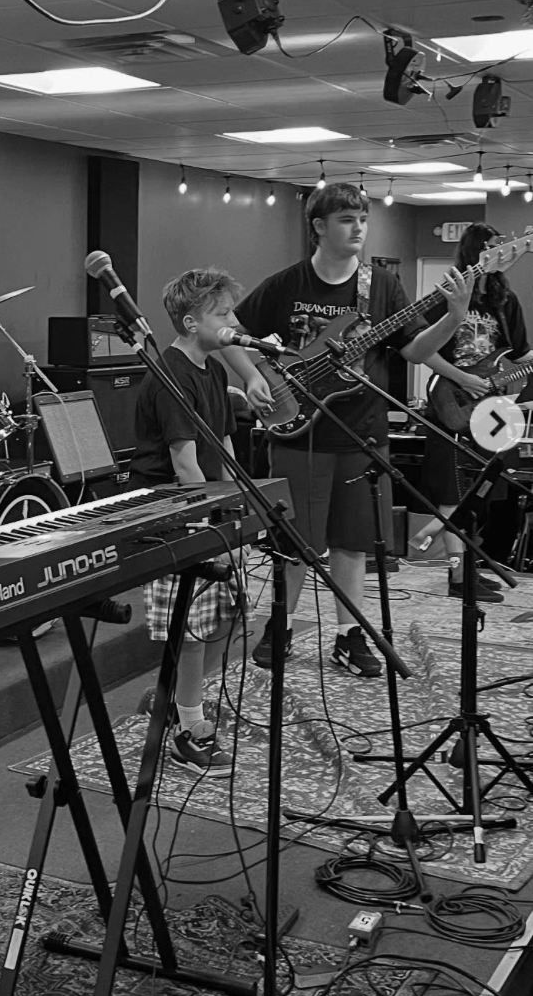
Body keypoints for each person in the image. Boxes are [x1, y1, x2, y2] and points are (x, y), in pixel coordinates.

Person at [224, 183, 474, 677]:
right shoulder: (286, 284)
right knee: (293, 541)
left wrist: (455, 316)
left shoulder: (380, 285)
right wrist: (253, 375)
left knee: (353, 542)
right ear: (318, 227)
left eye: (362, 218)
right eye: (346, 219)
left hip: (361, 434)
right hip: (296, 432)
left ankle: (349, 634)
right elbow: (224, 330)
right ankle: (282, 624)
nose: (358, 227)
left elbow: (415, 350)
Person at [129, 267, 246, 775]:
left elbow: (223, 443)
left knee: (224, 615)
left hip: (212, 507)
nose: (234, 322)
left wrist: (242, 505)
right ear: (193, 321)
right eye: (223, 314)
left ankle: (179, 700)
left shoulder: (215, 370)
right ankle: (188, 729)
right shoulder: (171, 374)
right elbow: (185, 465)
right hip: (176, 515)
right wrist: (213, 529)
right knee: (194, 627)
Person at [415, 222, 533, 600]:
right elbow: (420, 351)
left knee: (481, 491)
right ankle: (457, 577)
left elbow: (518, 355)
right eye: (498, 248)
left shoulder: (505, 301)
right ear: (479, 252)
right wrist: (462, 379)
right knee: (452, 493)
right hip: (450, 401)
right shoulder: (448, 293)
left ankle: (470, 568)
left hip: (491, 408)